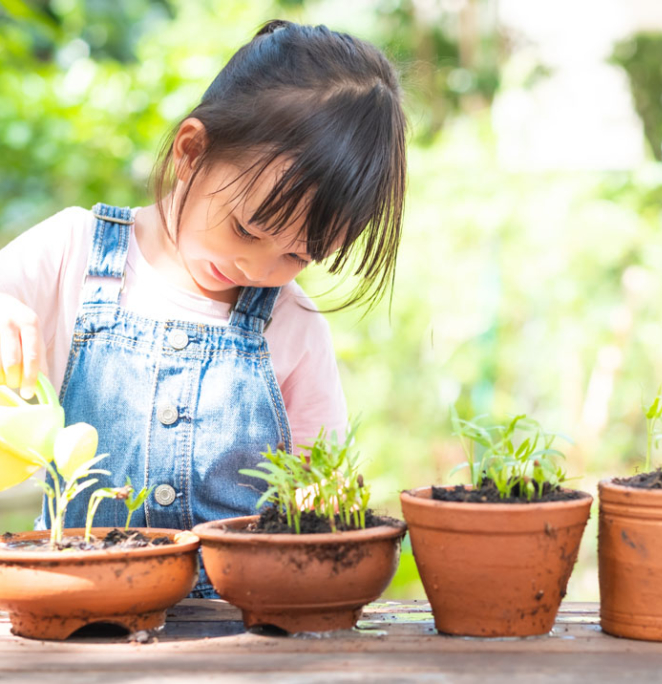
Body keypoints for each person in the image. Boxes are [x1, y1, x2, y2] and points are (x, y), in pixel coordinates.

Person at [0, 20, 406, 596]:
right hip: (77, 601)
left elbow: (320, 488)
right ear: (193, 151)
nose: (257, 269)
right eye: (245, 227)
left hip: (237, 625)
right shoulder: (74, 252)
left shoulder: (292, 325)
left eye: (297, 254)